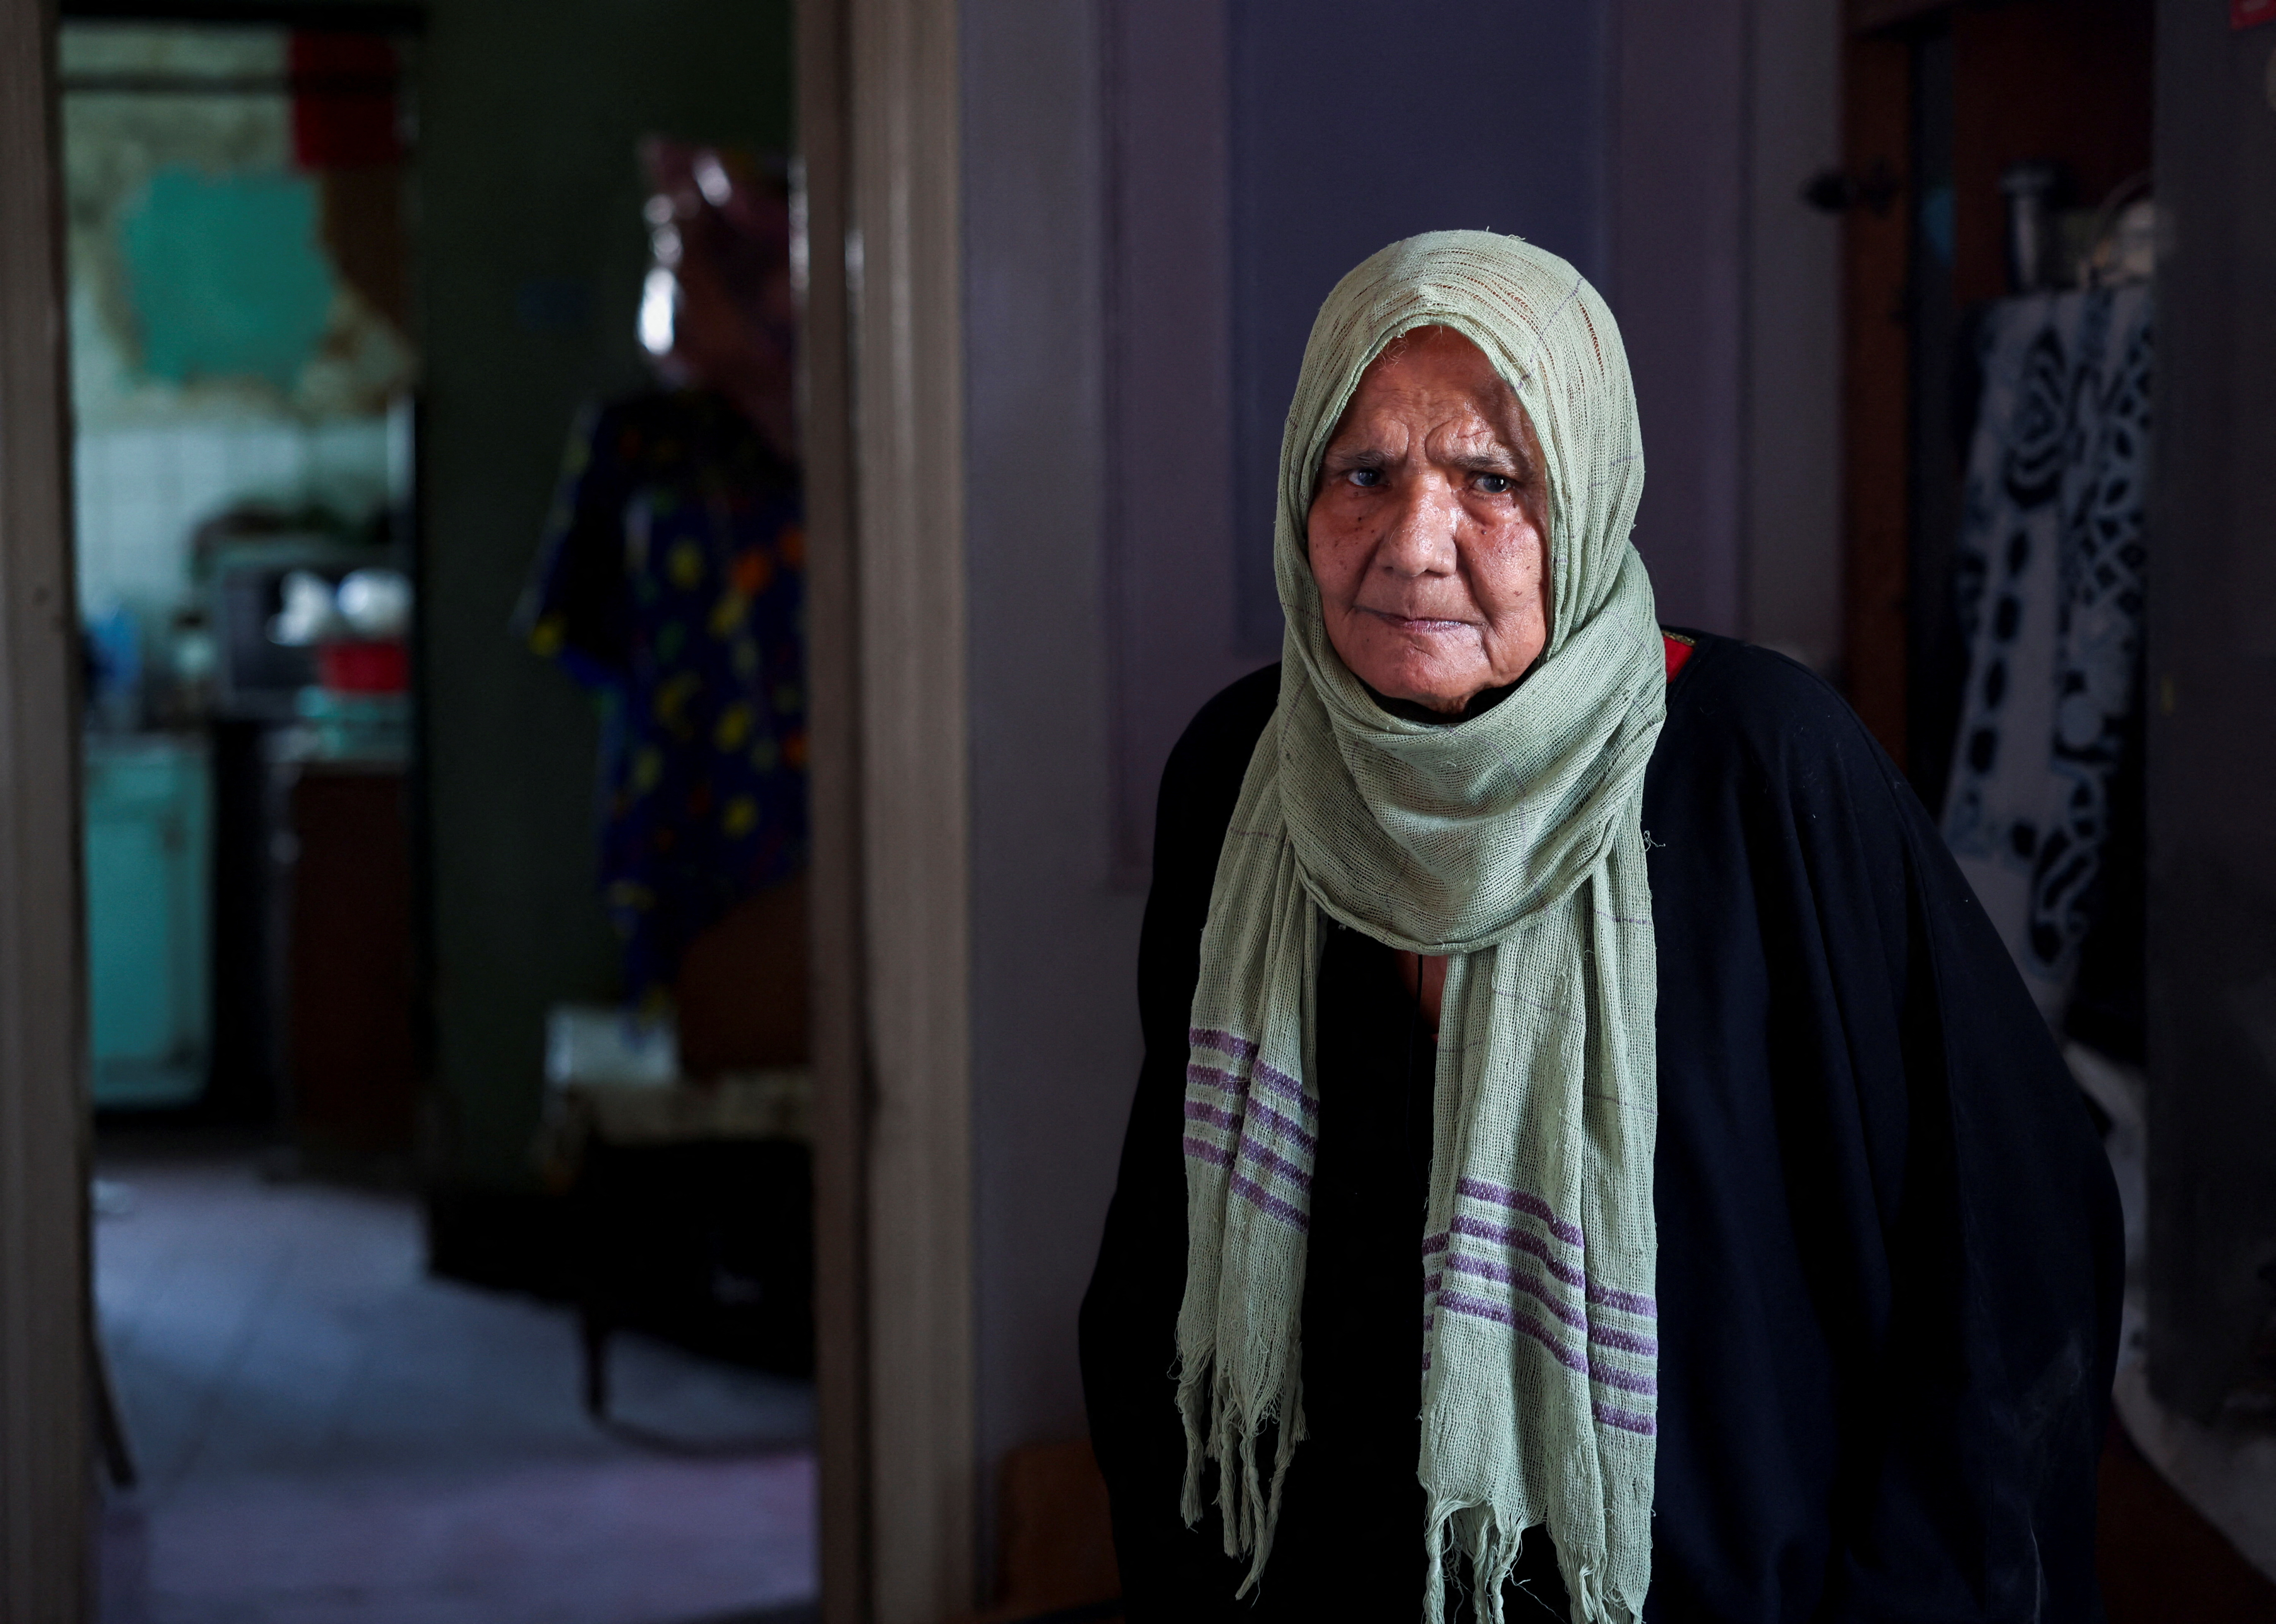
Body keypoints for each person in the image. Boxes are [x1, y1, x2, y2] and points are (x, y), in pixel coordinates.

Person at [1078, 232, 2121, 1624]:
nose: (1413, 543)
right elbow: (1160, 1260)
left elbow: (2007, 1248)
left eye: (1492, 479)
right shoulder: (1239, 778)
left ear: (1591, 485)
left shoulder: (1759, 769)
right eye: (1362, 472)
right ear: (1297, 495)